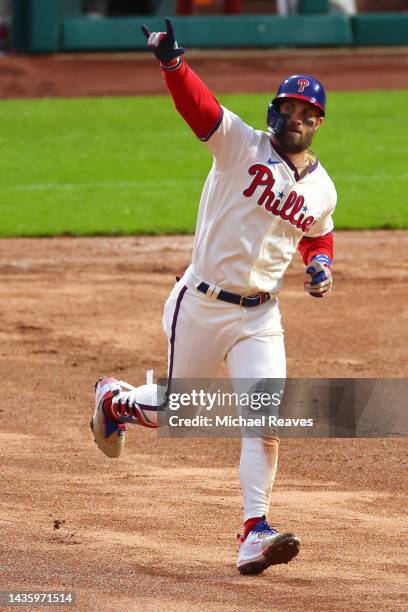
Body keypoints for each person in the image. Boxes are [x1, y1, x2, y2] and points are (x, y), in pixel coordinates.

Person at [90, 18, 336, 575]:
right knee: (177, 410)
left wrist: (319, 262)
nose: (293, 118)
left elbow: (318, 227)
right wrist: (173, 62)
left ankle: (255, 531)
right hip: (199, 305)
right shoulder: (238, 144)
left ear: (318, 123)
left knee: (265, 418)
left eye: (305, 113)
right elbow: (199, 108)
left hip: (261, 317)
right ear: (273, 111)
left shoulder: (323, 186)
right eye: (286, 108)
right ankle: (116, 401)